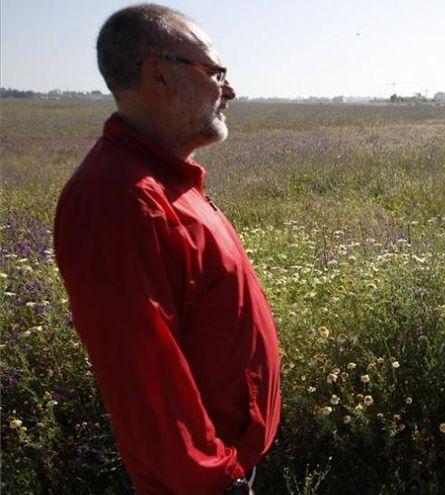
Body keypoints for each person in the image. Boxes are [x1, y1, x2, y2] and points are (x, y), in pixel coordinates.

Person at [53, 4, 280, 494]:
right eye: (215, 71)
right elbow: (144, 377)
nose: (230, 89)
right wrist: (215, 479)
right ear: (158, 74)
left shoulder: (163, 180)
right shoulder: (120, 198)